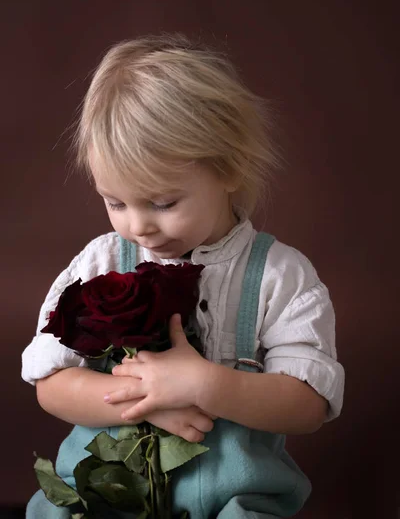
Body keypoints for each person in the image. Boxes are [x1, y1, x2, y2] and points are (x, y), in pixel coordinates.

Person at [22, 34, 345, 518]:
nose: (138, 225)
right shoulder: (100, 263)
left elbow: (309, 404)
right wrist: (146, 401)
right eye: (115, 202)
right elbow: (50, 382)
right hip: (106, 496)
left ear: (229, 168)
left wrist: (205, 385)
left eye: (163, 202)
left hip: (232, 501)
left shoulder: (279, 275)